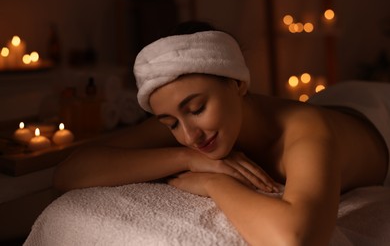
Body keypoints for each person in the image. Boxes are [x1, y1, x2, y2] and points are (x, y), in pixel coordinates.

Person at [53, 21, 389, 245]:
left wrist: (214, 183)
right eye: (170, 123)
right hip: (336, 104)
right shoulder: (192, 134)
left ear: (238, 83)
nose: (190, 135)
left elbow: (295, 238)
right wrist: (187, 159)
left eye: (197, 109)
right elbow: (70, 172)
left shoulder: (308, 131)